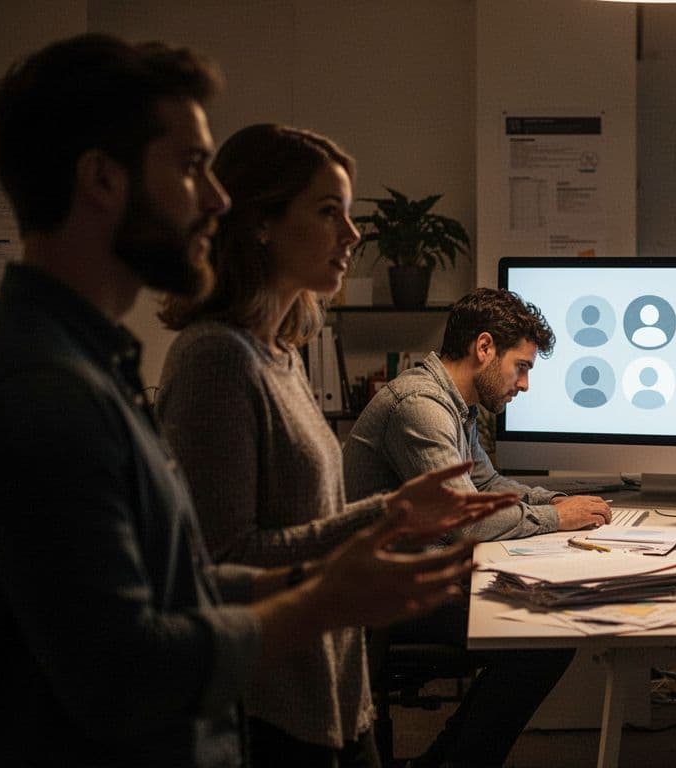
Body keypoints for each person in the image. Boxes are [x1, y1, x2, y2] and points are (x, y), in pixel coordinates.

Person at [0, 34, 517, 768]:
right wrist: (321, 599)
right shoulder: (41, 389)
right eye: (192, 167)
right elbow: (123, 669)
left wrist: (377, 526)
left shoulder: (92, 365)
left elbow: (180, 578)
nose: (218, 198)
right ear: (100, 179)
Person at [154, 124, 518, 767]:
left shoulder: (281, 353)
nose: (352, 236)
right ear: (260, 222)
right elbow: (221, 561)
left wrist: (395, 513)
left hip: (332, 674)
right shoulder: (216, 359)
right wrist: (390, 518)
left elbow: (307, 522)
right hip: (268, 696)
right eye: (329, 213)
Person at [343, 287, 606, 767]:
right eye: (521, 367)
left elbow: (484, 481)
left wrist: (555, 500)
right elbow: (467, 521)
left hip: (417, 573)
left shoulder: (453, 404)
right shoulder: (419, 407)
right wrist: (557, 519)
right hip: (381, 593)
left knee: (545, 626)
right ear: (484, 348)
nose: (523, 384)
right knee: (545, 635)